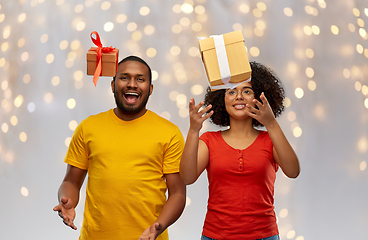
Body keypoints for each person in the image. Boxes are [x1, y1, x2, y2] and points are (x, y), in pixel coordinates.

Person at [53, 56, 186, 240]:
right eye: (124, 77)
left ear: (151, 88)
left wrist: (157, 228)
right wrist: (67, 201)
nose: (132, 84)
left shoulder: (169, 133)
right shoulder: (88, 127)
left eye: (140, 79)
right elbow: (71, 182)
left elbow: (178, 193)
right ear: (113, 85)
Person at [180, 61, 300, 240]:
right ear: (222, 99)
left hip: (264, 235)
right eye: (231, 91)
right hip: (216, 236)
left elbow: (293, 171)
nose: (239, 96)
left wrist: (271, 123)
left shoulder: (270, 140)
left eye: (247, 91)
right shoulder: (209, 141)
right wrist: (193, 130)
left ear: (259, 98)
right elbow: (187, 177)